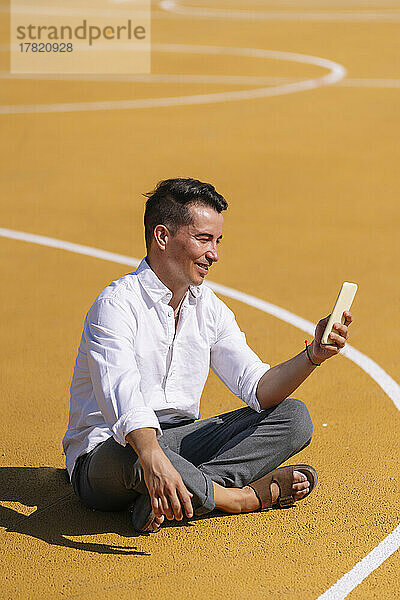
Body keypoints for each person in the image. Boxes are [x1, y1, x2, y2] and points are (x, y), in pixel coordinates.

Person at [63, 177, 353, 533]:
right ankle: (236, 497)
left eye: (217, 241)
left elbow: (259, 388)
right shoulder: (115, 306)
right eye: (203, 239)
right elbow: (123, 402)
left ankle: (178, 499)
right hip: (109, 458)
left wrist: (313, 355)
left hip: (183, 443)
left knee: (294, 417)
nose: (214, 253)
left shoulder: (209, 308)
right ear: (163, 237)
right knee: (136, 448)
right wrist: (152, 455)